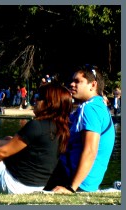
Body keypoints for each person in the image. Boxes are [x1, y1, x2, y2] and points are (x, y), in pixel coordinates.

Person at [0, 83, 72, 194]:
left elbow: (3, 153)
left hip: (13, 186)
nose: (35, 100)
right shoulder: (60, 129)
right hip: (34, 187)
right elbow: (13, 143)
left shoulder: (37, 125)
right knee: (8, 139)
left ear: (50, 103)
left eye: (39, 97)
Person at [44, 65, 115, 193]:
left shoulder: (90, 109)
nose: (71, 84)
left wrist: (71, 188)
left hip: (73, 179)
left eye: (77, 81)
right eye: (72, 81)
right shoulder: (93, 106)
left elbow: (90, 150)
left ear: (93, 85)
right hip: (73, 175)